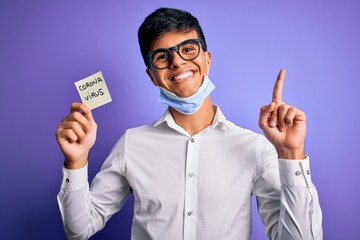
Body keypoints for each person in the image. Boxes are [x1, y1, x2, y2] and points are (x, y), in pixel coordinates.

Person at [56, 7, 322, 240]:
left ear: (207, 59)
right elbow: (79, 230)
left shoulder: (253, 147)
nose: (177, 61)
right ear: (152, 76)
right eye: (162, 56)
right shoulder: (132, 144)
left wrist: (291, 154)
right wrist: (77, 163)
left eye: (187, 49)